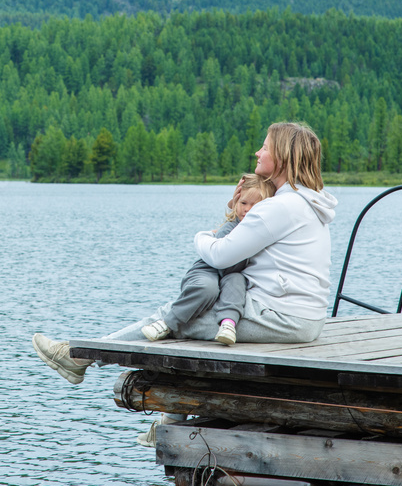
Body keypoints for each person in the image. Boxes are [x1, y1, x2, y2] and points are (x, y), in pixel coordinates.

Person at [32, 121, 338, 386]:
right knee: (182, 317)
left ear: (282, 158)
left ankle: (77, 357)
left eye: (265, 147)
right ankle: (167, 416)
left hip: (284, 317)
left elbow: (220, 256)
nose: (257, 153)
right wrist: (233, 214)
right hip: (302, 315)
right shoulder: (305, 202)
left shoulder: (280, 207)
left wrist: (201, 236)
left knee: (175, 318)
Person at [140, 173, 275, 347]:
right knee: (208, 288)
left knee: (236, 282)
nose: (247, 209)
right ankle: (167, 323)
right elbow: (219, 260)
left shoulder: (260, 230)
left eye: (253, 205)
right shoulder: (230, 228)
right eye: (243, 203)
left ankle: (228, 324)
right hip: (208, 270)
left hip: (230, 274)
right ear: (235, 203)